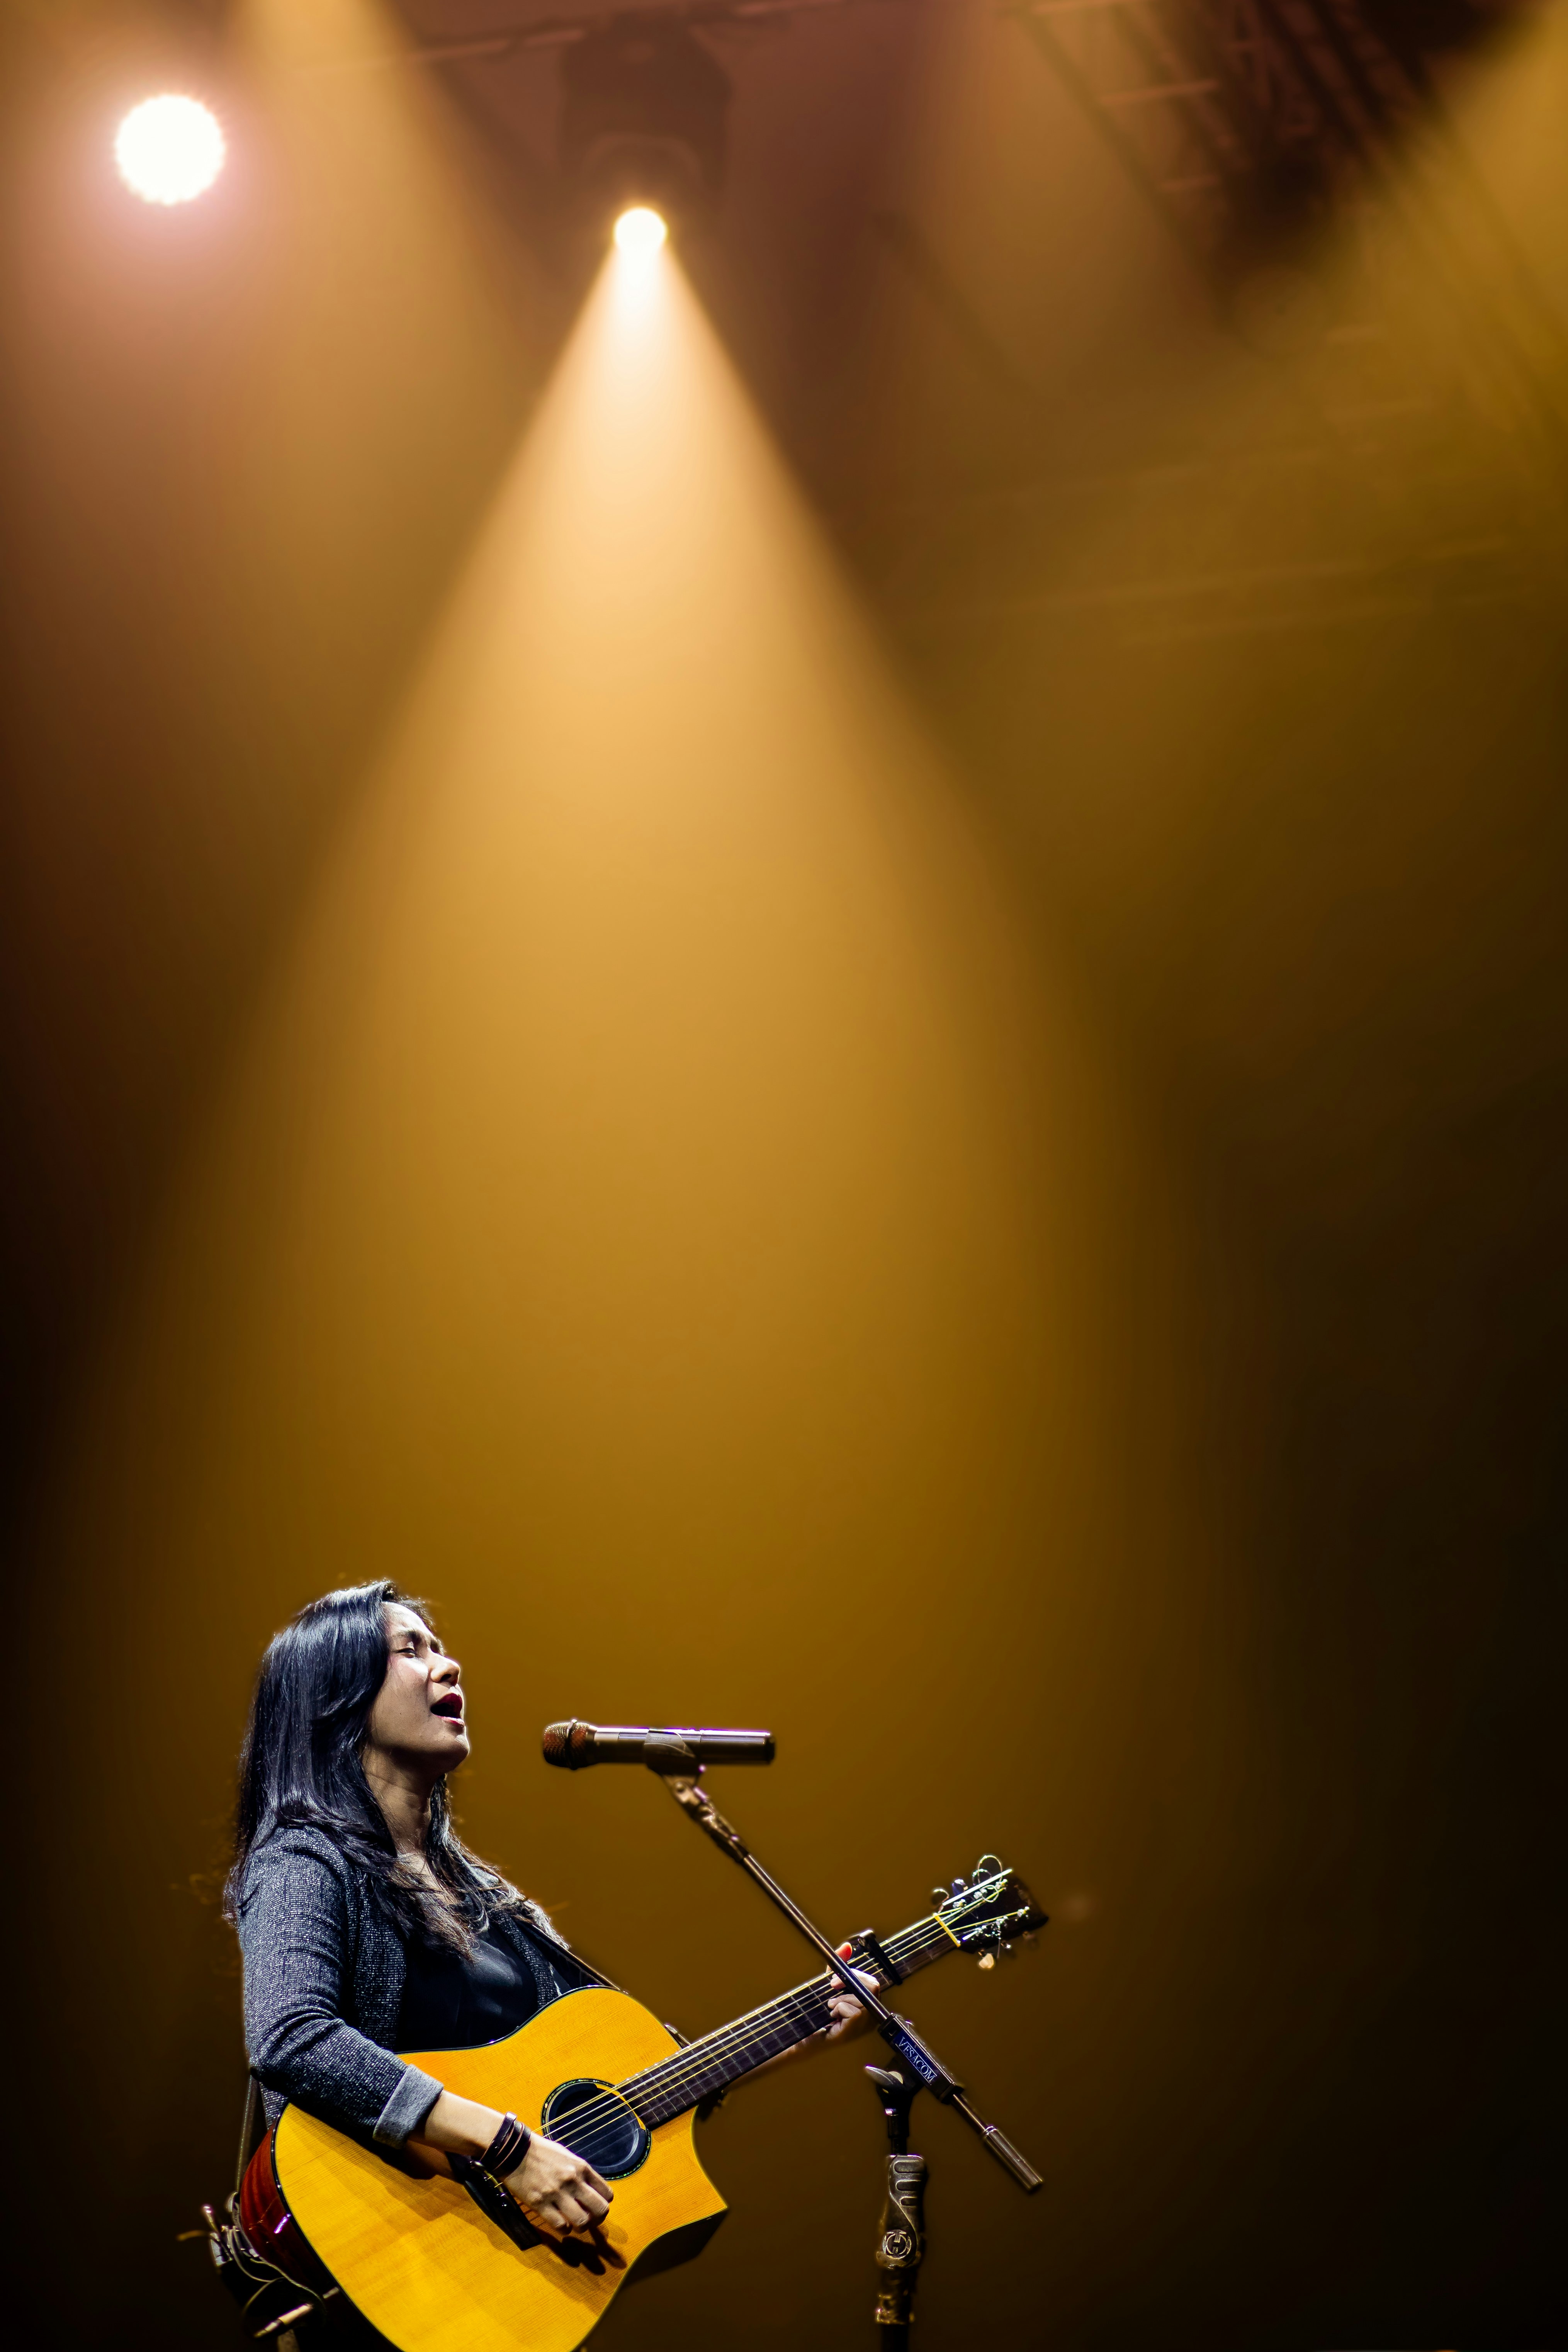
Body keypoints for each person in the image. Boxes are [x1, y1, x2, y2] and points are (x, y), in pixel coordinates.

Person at [227, 1578, 869, 2245]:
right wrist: (508, 2148)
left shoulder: (489, 1900)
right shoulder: (302, 1858)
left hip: (500, 2265)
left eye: (440, 1648)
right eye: (409, 1650)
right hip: (381, 2249)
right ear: (335, 1695)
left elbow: (619, 2087)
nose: (449, 1665)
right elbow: (291, 2037)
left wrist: (802, 2033)